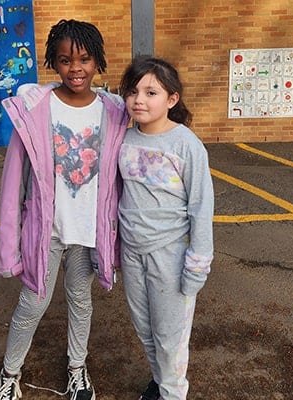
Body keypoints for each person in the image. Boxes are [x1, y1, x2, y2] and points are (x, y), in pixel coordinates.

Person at [0, 19, 129, 400]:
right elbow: (12, 183)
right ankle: (10, 373)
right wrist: (10, 246)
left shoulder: (114, 112)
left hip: (89, 233)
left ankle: (76, 369)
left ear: (97, 61)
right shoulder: (34, 110)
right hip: (46, 232)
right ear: (54, 61)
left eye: (85, 59)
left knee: (81, 302)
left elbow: (123, 176)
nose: (76, 69)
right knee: (32, 303)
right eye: (66, 60)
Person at [117, 57, 214, 400]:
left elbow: (201, 208)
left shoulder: (186, 145)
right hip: (131, 253)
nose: (138, 99)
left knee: (171, 336)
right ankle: (161, 382)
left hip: (170, 257)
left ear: (172, 99)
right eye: (132, 91)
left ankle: (173, 392)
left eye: (150, 92)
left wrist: (197, 266)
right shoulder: (125, 140)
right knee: (145, 329)